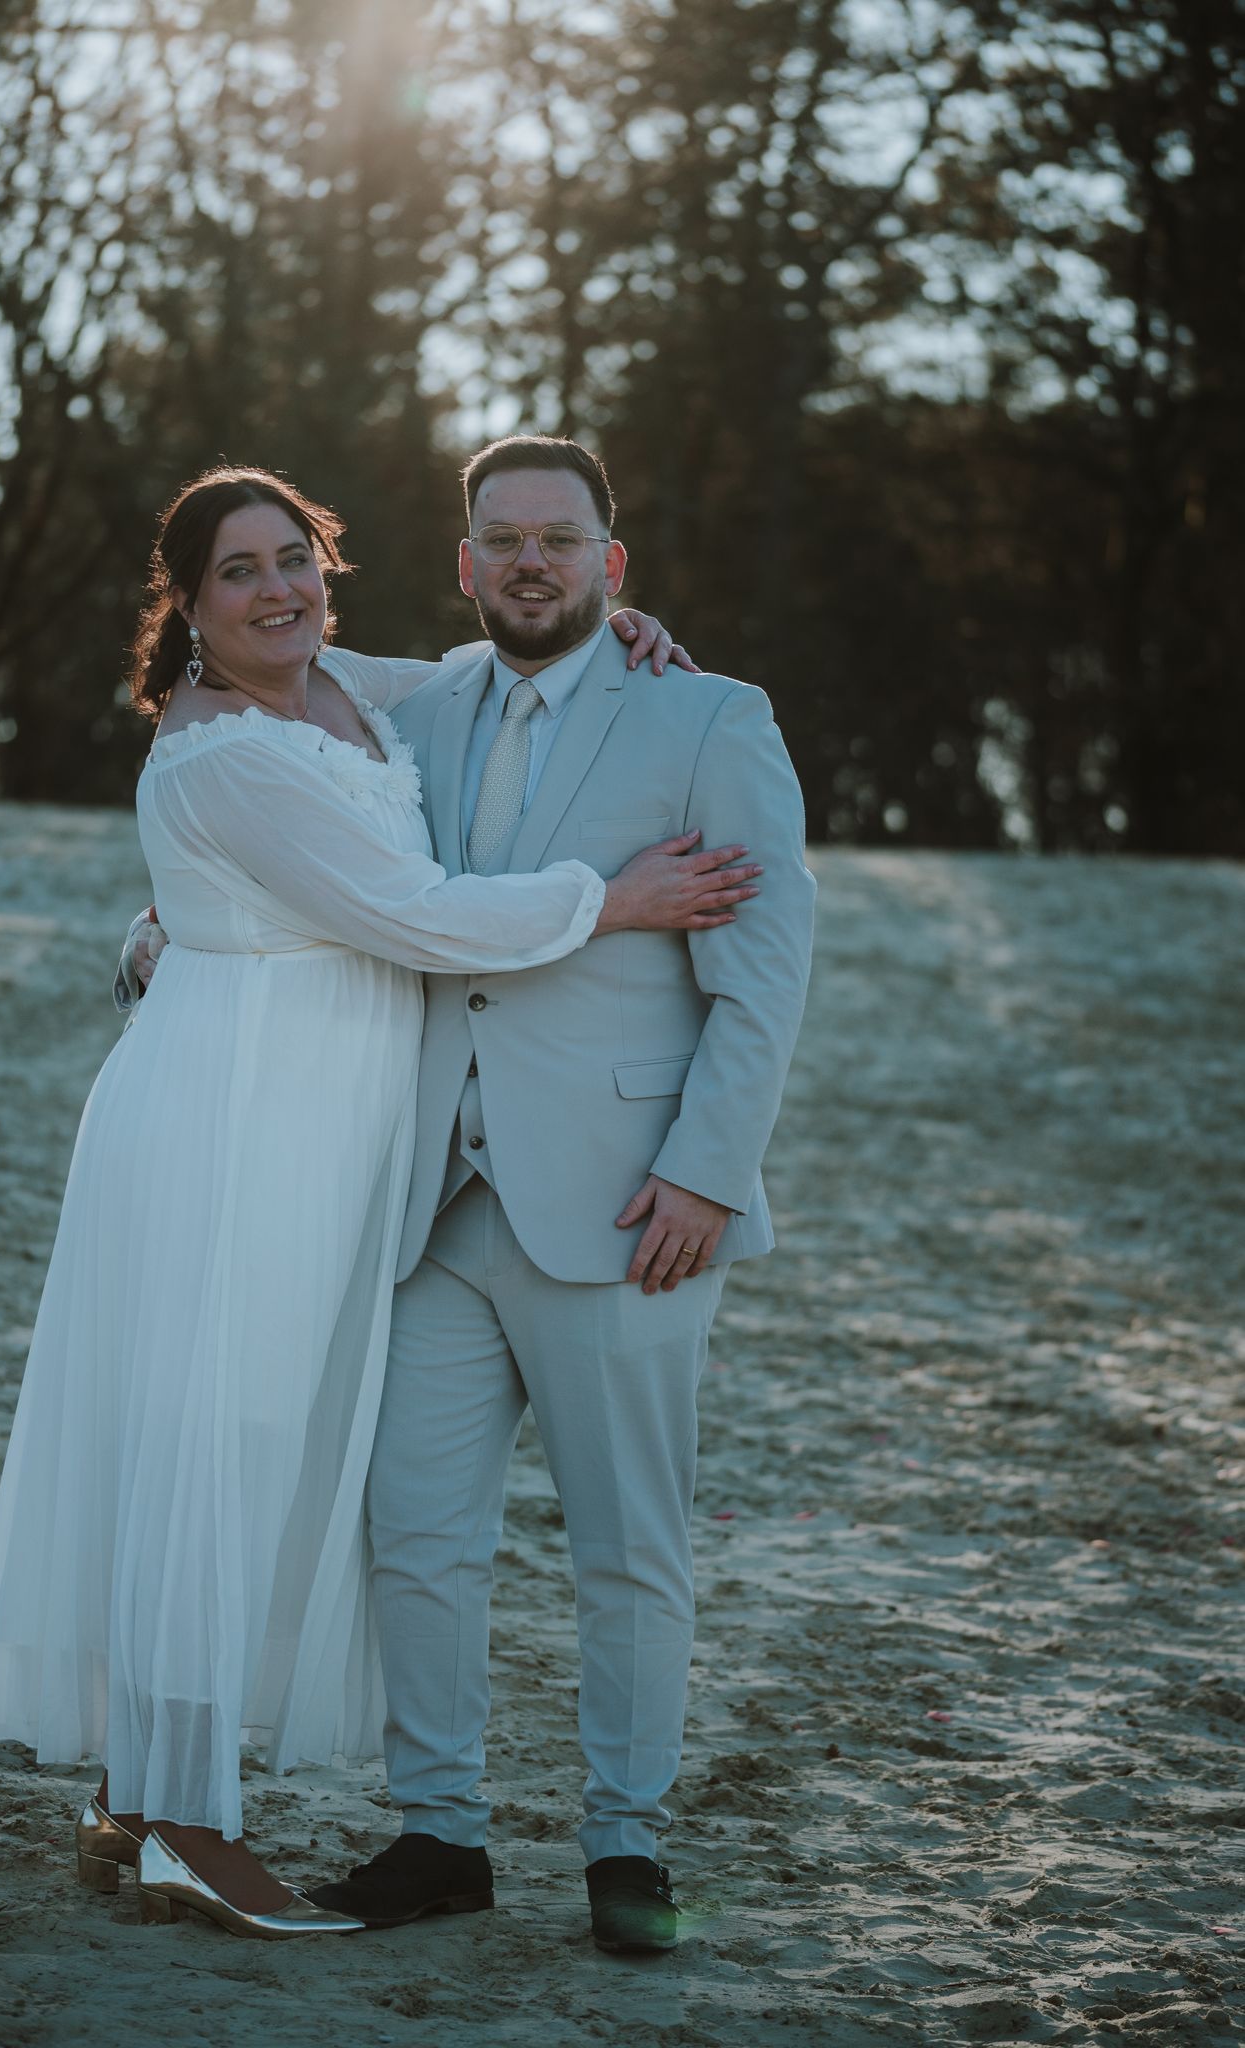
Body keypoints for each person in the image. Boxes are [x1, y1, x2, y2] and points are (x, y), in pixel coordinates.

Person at [0, 464, 763, 1941]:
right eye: (238, 572)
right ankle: (236, 1823)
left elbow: (498, 674)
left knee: (284, 1456)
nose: (276, 592)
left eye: (295, 560)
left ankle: (156, 1799)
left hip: (437, 1158)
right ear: (188, 604)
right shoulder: (255, 741)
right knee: (247, 1459)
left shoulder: (376, 687)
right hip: (276, 1141)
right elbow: (402, 905)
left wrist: (620, 618)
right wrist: (614, 897)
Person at [242, 434, 814, 1954]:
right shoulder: (414, 708)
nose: (531, 563)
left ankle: (627, 1844)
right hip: (437, 1201)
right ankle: (441, 1833)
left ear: (612, 564)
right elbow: (260, 651)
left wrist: (705, 1171)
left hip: (632, 1209)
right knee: (416, 1536)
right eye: (502, 539)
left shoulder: (710, 717)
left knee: (628, 1545)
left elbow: (763, 977)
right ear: (463, 563)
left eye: (561, 540)